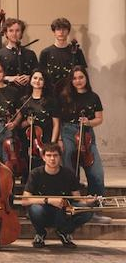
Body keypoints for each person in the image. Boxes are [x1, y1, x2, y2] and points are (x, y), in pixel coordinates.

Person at [21, 143, 95, 248]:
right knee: (34, 209)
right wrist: (49, 200)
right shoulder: (36, 173)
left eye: (55, 155)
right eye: (49, 155)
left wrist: (87, 201)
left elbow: (77, 199)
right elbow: (25, 200)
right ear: (43, 157)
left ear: (60, 157)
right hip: (43, 210)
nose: (52, 159)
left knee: (87, 211)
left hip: (63, 212)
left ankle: (64, 232)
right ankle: (40, 233)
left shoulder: (68, 174)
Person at [58, 66, 106, 218]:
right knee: (69, 165)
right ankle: (72, 206)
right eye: (75, 78)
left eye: (81, 77)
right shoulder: (65, 97)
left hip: (86, 134)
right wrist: (59, 138)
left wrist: (88, 122)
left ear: (86, 78)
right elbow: (58, 120)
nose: (78, 81)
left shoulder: (94, 97)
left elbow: (99, 118)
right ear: (71, 81)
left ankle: (95, 208)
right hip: (67, 132)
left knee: (97, 173)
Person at [19, 69, 60, 172]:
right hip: (28, 141)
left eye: (41, 79)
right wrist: (27, 122)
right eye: (35, 78)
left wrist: (52, 143)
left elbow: (56, 124)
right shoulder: (24, 100)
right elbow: (20, 125)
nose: (37, 81)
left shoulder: (51, 101)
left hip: (46, 138)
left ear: (45, 82)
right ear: (30, 80)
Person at [39, 18, 88, 93]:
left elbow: (82, 73)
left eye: (64, 29)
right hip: (51, 92)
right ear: (54, 32)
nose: (61, 32)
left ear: (68, 32)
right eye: (58, 29)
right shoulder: (45, 52)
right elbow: (42, 75)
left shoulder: (77, 51)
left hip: (73, 92)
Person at [0, 18, 39, 93]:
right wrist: (10, 78)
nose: (14, 33)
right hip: (6, 93)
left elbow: (38, 73)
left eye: (17, 30)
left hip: (27, 93)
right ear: (6, 33)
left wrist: (30, 77)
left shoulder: (30, 54)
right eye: (11, 30)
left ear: (21, 33)